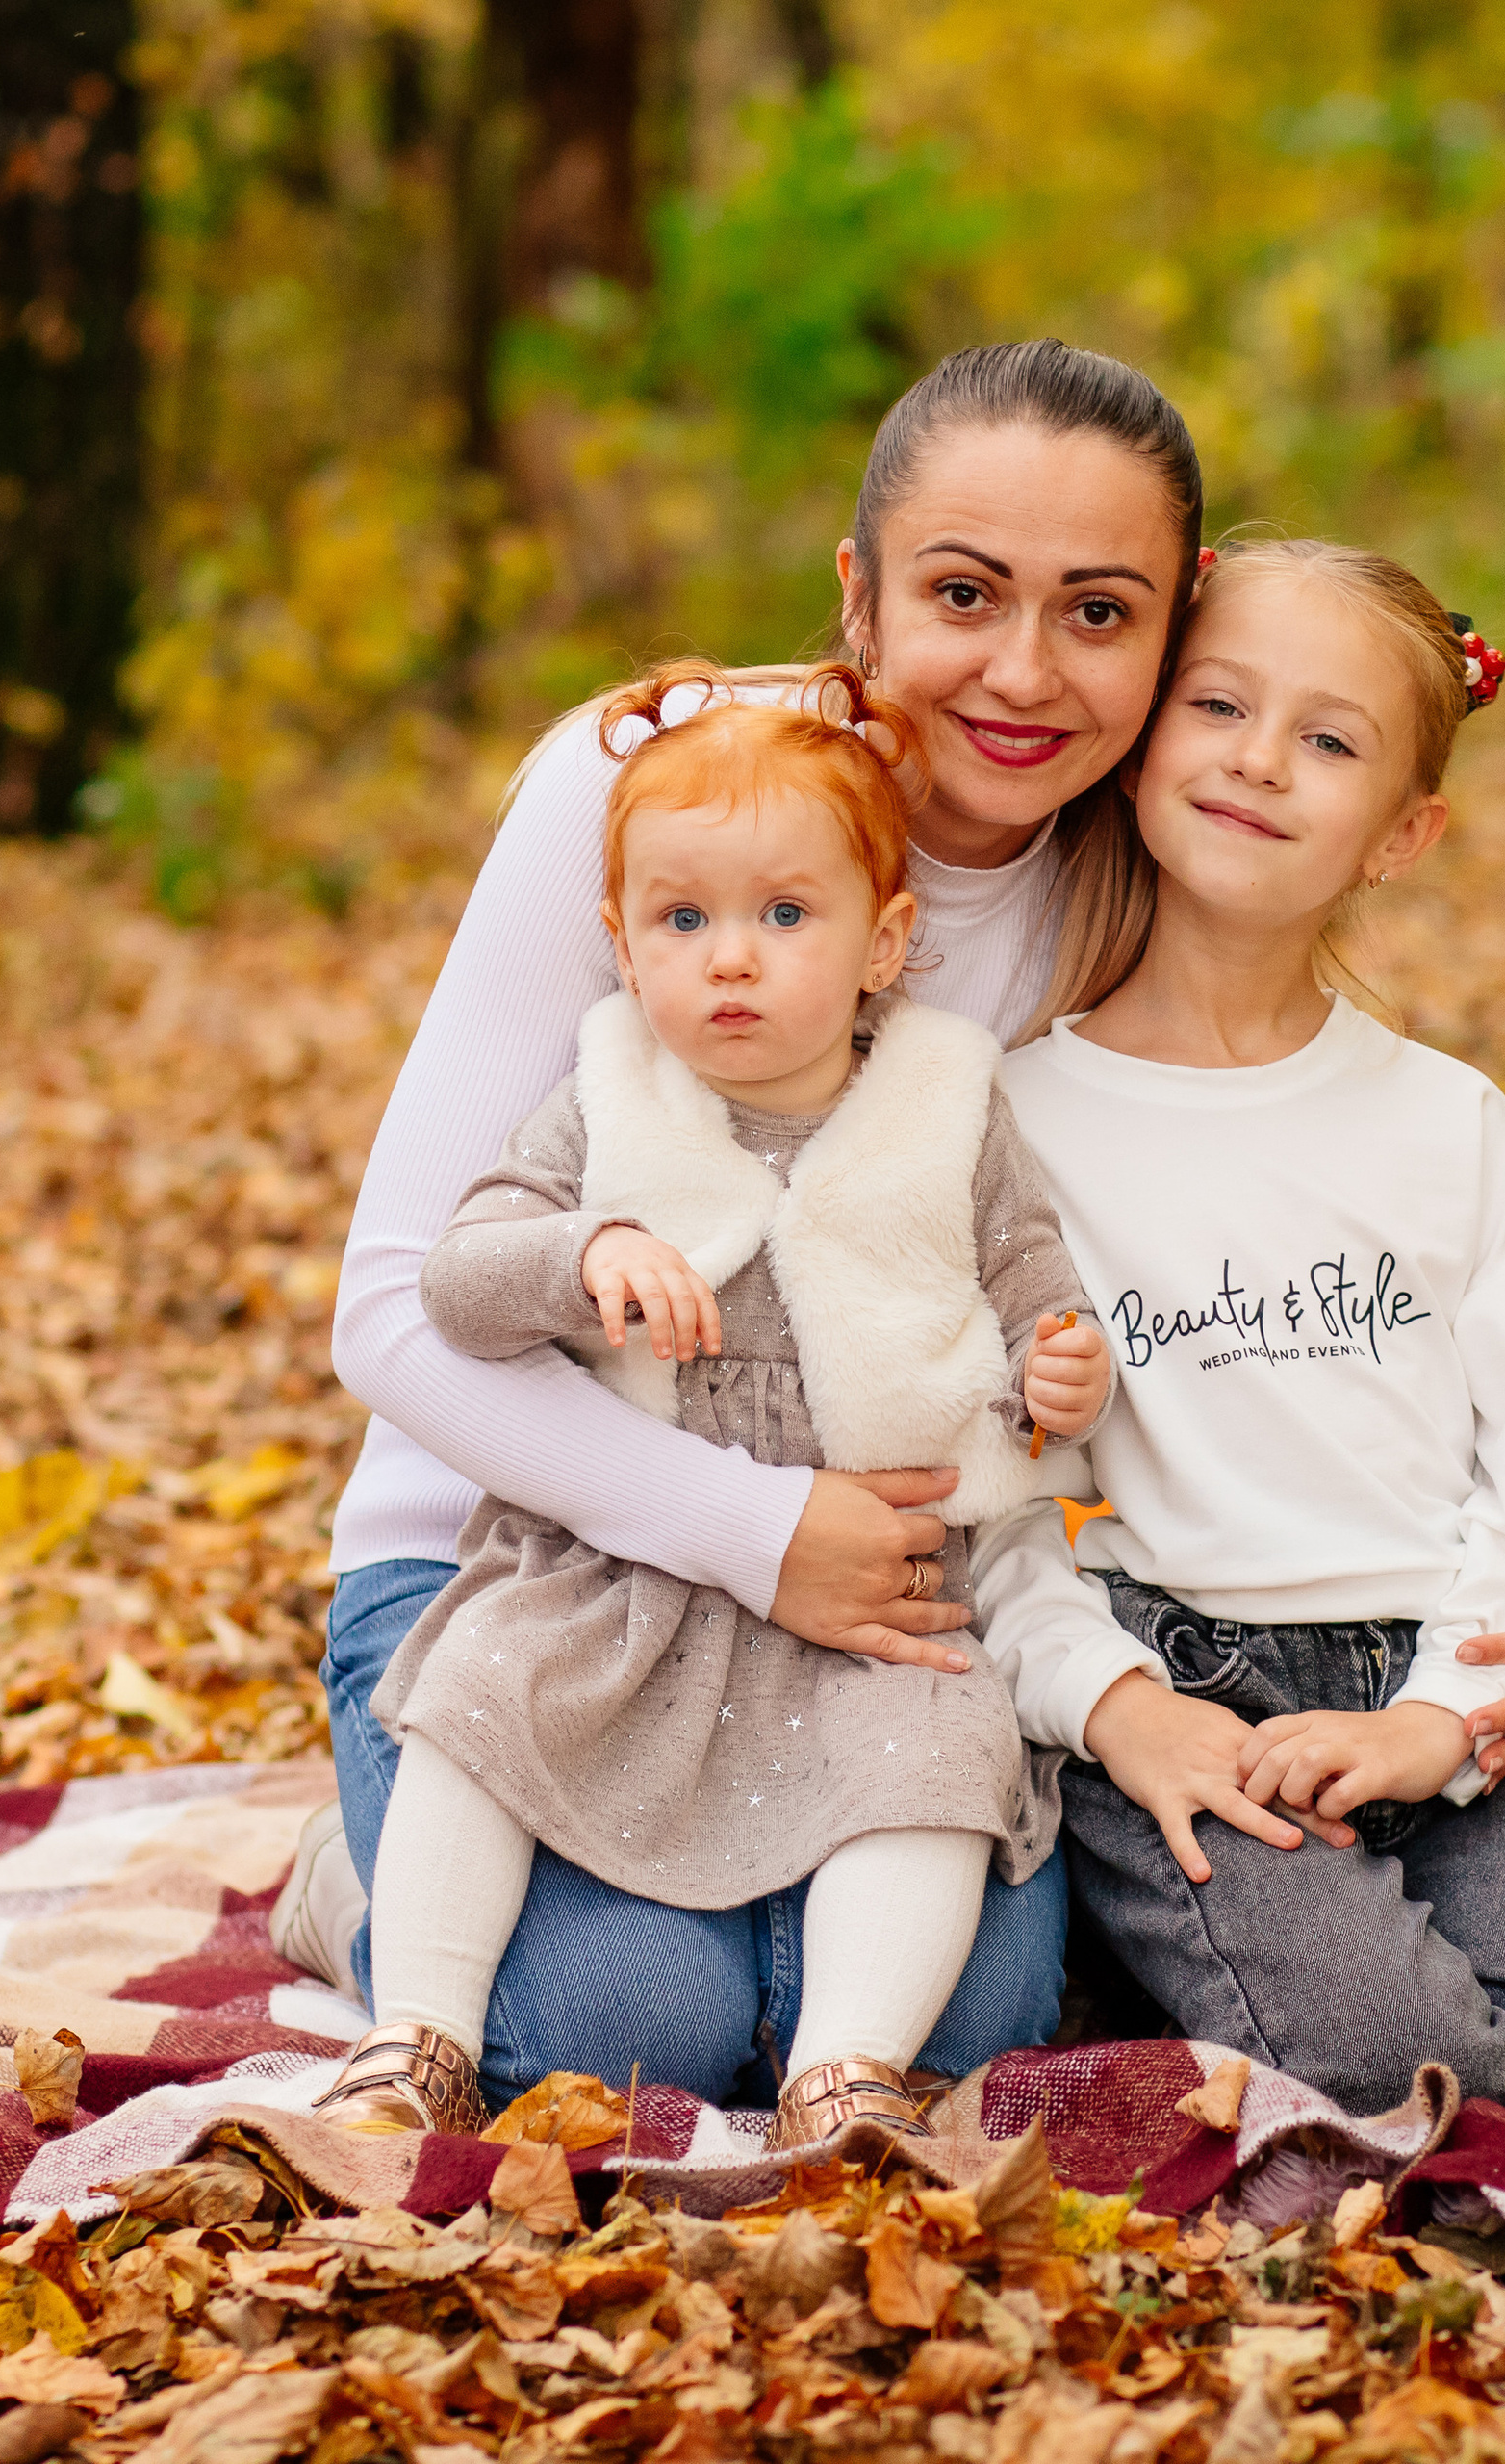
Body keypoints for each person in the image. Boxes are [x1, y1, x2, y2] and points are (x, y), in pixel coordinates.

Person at [275, 340, 1505, 2104]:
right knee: (618, 2044)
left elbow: (1273, 1306)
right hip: (539, 1557)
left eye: (1100, 615)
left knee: (953, 2033)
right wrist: (756, 1527)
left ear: (1174, 642)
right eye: (963, 594)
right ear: (857, 598)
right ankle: (365, 1880)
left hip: (911, 1604)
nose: (1025, 673)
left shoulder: (1136, 854)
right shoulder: (667, 799)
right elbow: (395, 1312)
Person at [986, 538, 1505, 2146]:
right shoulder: (1018, 1118)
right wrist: (1109, 1699)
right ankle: (1161, 1944)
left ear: (1403, 835)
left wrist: (1441, 1716)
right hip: (1188, 1697)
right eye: (1221, 706)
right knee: (1408, 2081)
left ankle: (1246, 1955)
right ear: (1137, 751)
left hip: (1436, 1681)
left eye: (1328, 741)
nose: (1261, 760)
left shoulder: (1444, 1123)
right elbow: (990, 1487)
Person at [310, 663, 1110, 2142]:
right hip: (612, 1570)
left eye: (783, 919)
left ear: (887, 945)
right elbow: (455, 1283)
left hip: (879, 1588)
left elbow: (1027, 1270)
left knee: (939, 1760)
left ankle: (845, 2069)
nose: (728, 963)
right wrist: (584, 1253)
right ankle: (412, 2026)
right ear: (619, 945)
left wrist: (1059, 1361)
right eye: (683, 923)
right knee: (490, 1702)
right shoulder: (610, 1095)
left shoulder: (949, 1093)